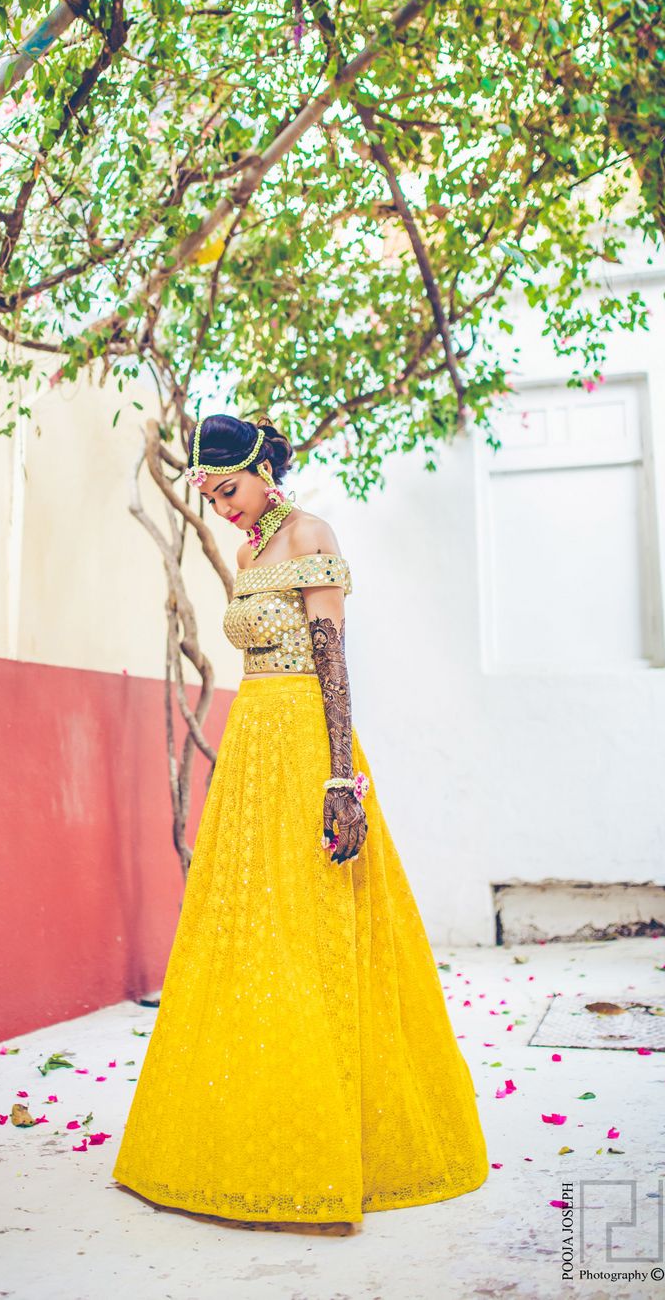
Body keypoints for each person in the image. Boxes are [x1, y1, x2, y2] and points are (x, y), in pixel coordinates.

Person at [112, 413, 489, 1226]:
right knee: (253, 931)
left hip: (311, 749)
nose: (222, 510)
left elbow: (332, 661)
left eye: (229, 491)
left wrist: (341, 780)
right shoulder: (247, 554)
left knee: (314, 926)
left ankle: (334, 1140)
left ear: (262, 471)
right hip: (252, 747)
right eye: (209, 496)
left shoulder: (309, 533)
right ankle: (243, 1126)